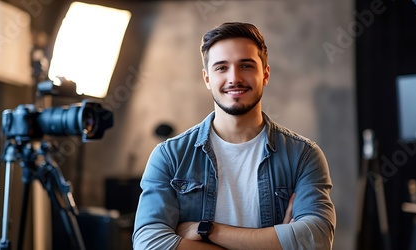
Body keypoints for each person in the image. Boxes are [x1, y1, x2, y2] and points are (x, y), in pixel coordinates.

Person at [132, 22, 336, 249]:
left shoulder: (303, 156)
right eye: (221, 67)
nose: (234, 78)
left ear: (265, 74)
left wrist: (207, 229)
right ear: (207, 78)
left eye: (246, 66)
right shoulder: (170, 156)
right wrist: (279, 241)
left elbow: (316, 239)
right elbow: (148, 243)